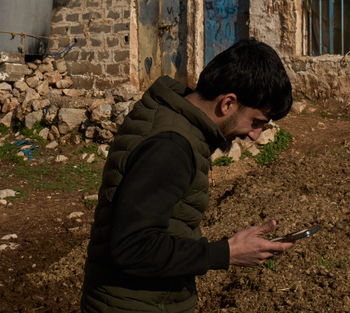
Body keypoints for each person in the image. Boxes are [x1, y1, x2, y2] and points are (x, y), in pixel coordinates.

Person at [81, 38, 295, 312]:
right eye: (256, 122)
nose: (254, 135)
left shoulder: (171, 115)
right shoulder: (171, 146)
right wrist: (227, 252)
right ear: (228, 103)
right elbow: (131, 247)